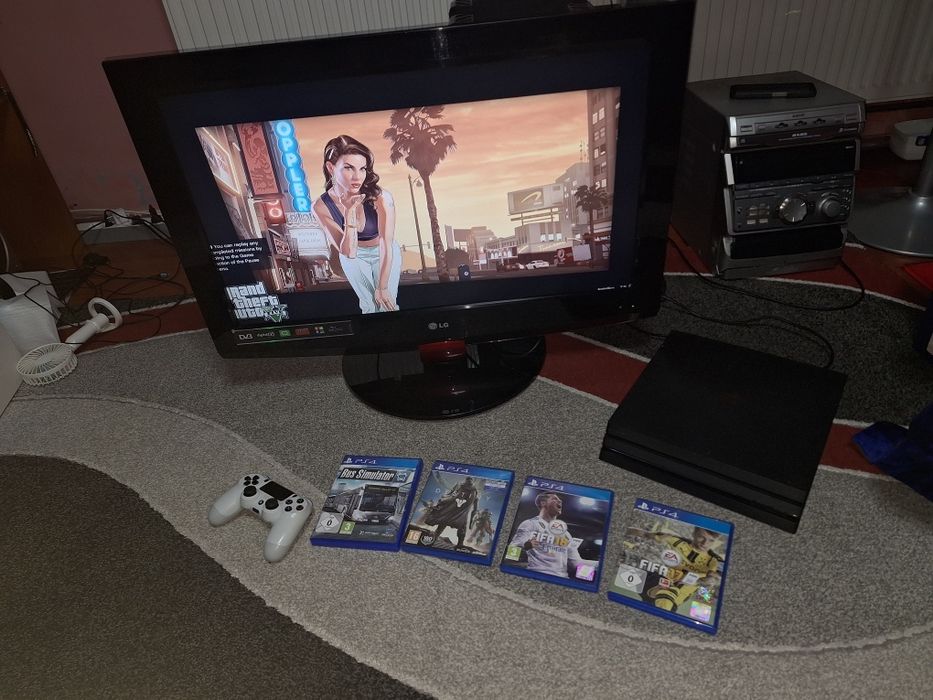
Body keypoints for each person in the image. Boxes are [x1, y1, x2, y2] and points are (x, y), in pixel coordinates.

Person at [312, 135, 400, 313]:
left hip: (383, 251)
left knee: (387, 304)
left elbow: (386, 242)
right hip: (354, 256)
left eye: (362, 169)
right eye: (348, 168)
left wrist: (382, 287)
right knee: (369, 306)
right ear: (331, 167)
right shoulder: (320, 206)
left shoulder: (381, 197)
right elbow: (349, 252)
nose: (357, 177)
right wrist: (349, 211)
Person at [626, 525, 724, 612]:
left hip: (674, 600)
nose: (705, 543)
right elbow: (644, 534)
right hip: (656, 585)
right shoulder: (676, 541)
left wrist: (699, 581)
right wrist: (623, 529)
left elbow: (714, 579)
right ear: (694, 533)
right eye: (701, 537)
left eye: (711, 540)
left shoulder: (714, 561)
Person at [507, 492, 597, 578]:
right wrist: (526, 546)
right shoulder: (530, 524)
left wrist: (599, 565)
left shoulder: (566, 534)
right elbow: (511, 555)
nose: (560, 501)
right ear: (543, 503)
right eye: (554, 499)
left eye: (559, 500)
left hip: (562, 579)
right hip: (536, 575)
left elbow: (575, 564)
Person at [422, 476, 478, 547]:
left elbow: (474, 509)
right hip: (452, 511)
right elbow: (451, 496)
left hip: (459, 513)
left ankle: (459, 544)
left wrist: (441, 503)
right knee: (444, 523)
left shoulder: (472, 492)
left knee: (459, 526)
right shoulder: (460, 487)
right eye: (468, 480)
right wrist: (441, 503)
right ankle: (435, 538)